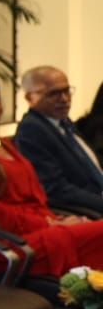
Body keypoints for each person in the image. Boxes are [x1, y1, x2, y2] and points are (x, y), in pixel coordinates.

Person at [0, 72, 103, 274]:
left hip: (44, 224)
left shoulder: (4, 144)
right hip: (14, 240)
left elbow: (37, 197)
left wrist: (56, 219)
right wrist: (49, 222)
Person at [13, 65, 103, 218]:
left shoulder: (62, 122)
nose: (64, 99)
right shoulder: (32, 131)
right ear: (30, 98)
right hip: (85, 207)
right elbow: (57, 189)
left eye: (66, 91)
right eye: (53, 94)